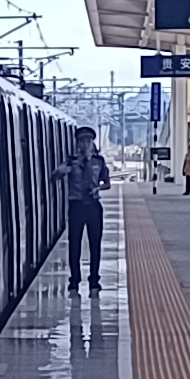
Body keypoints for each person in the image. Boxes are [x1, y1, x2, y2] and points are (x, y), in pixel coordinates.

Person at [62, 124, 109, 292]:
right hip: (76, 207)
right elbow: (54, 177)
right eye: (82, 141)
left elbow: (107, 183)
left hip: (93, 207)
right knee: (74, 244)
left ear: (92, 143)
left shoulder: (99, 161)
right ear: (77, 143)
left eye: (88, 141)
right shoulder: (71, 162)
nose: (85, 144)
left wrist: (98, 188)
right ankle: (74, 279)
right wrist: (60, 172)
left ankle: (94, 279)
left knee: (95, 244)